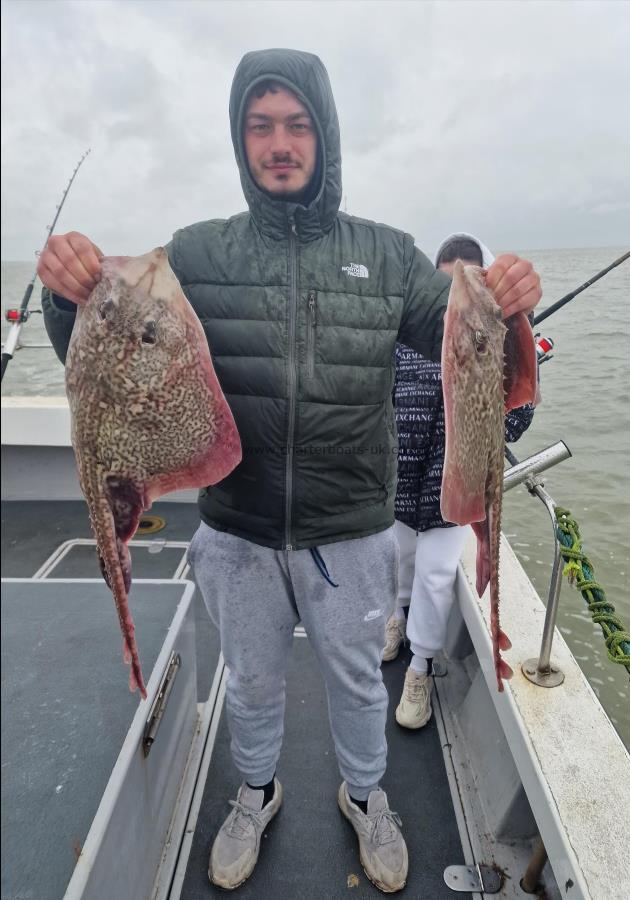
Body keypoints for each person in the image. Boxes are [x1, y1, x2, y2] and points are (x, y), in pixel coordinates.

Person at [37, 50, 542, 894]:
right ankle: (255, 792)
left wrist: (508, 302)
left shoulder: (387, 258)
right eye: (260, 125)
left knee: (353, 681)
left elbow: (471, 348)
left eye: (296, 124)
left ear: (325, 134)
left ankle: (367, 796)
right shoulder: (194, 253)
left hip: (347, 529)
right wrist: (68, 292)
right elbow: (106, 354)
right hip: (236, 525)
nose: (279, 142)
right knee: (254, 681)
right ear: (241, 140)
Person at [383, 233, 536, 731]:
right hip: (398, 483)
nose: (454, 301)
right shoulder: (406, 335)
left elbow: (518, 412)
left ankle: (421, 665)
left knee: (433, 575)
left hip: (455, 490)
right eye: (445, 288)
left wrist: (513, 336)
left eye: (466, 285)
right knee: (398, 563)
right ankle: (397, 619)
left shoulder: (491, 336)